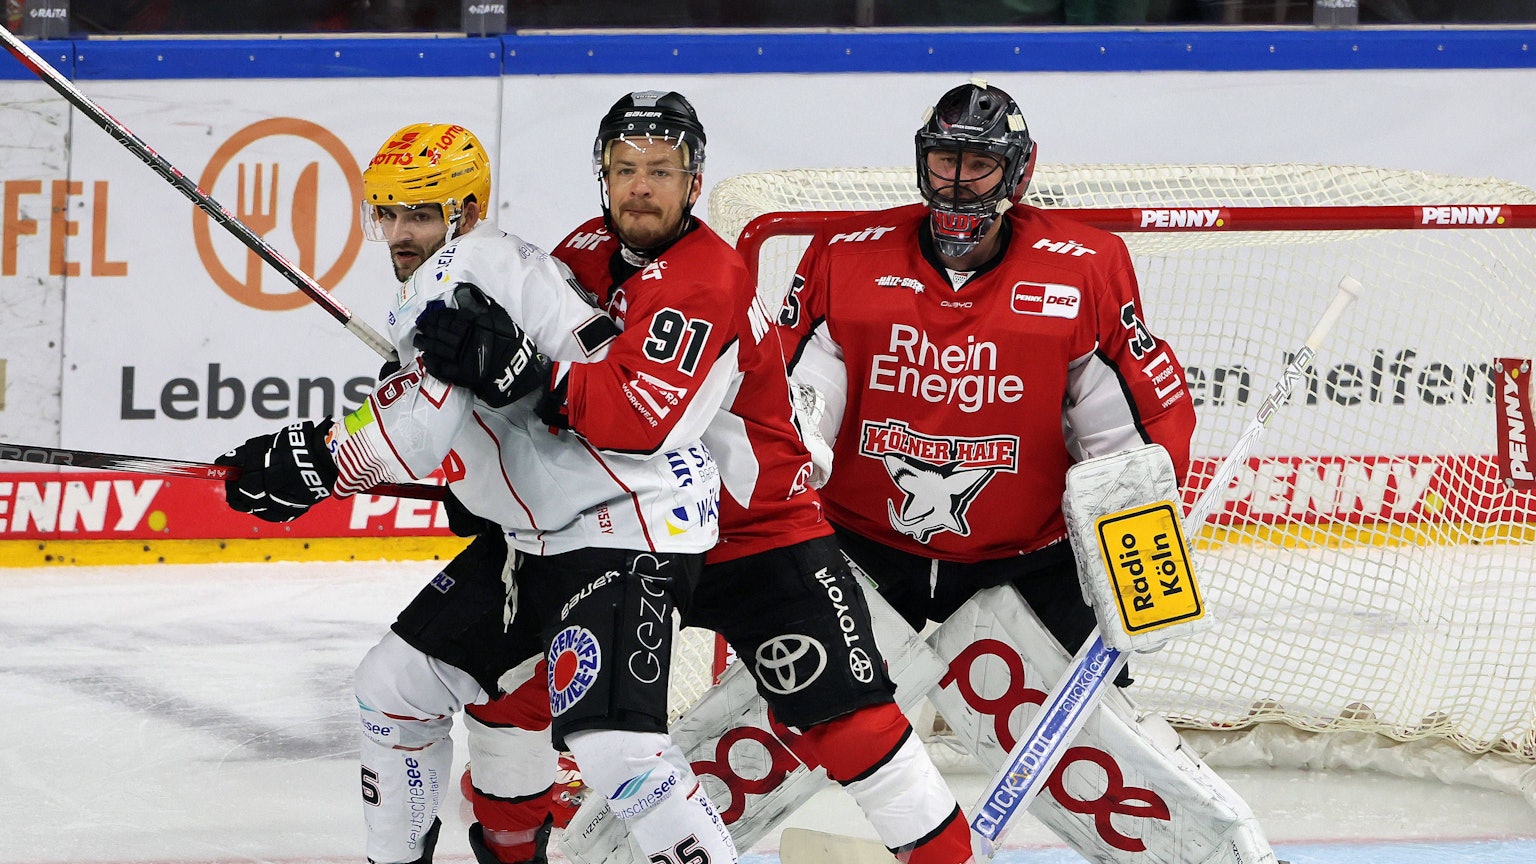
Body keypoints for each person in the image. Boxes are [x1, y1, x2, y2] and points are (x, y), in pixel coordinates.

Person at [424, 91, 977, 864]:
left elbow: (636, 421)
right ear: (602, 176)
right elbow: (511, 385)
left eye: (660, 170)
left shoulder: (707, 274)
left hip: (755, 535)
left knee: (854, 725)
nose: (640, 186)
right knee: (506, 695)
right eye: (624, 169)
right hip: (625, 530)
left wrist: (524, 373)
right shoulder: (579, 250)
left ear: (693, 180)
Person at [773, 80, 1279, 862]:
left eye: (978, 164)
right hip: (865, 550)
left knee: (1091, 741)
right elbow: (798, 393)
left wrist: (1140, 562)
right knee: (792, 708)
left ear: (1019, 172)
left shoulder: (1086, 267)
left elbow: (1131, 429)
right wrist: (794, 477)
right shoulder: (846, 257)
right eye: (944, 160)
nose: (956, 181)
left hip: (1031, 558)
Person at [214, 122, 734, 864]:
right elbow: (456, 412)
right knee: (395, 689)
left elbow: (416, 432)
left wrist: (312, 459)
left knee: (618, 749)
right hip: (546, 534)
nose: (399, 232)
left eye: (419, 214)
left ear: (461, 214)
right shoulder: (487, 264)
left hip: (624, 528)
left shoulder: (458, 272)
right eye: (387, 213)